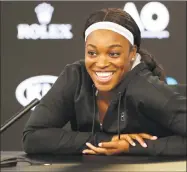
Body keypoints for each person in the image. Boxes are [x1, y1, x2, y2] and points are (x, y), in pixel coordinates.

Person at [22, 8, 186, 156]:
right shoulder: (75, 76)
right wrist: (107, 140)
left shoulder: (147, 88)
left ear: (132, 53)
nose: (101, 63)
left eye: (113, 54)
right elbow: (33, 137)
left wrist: (132, 147)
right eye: (92, 53)